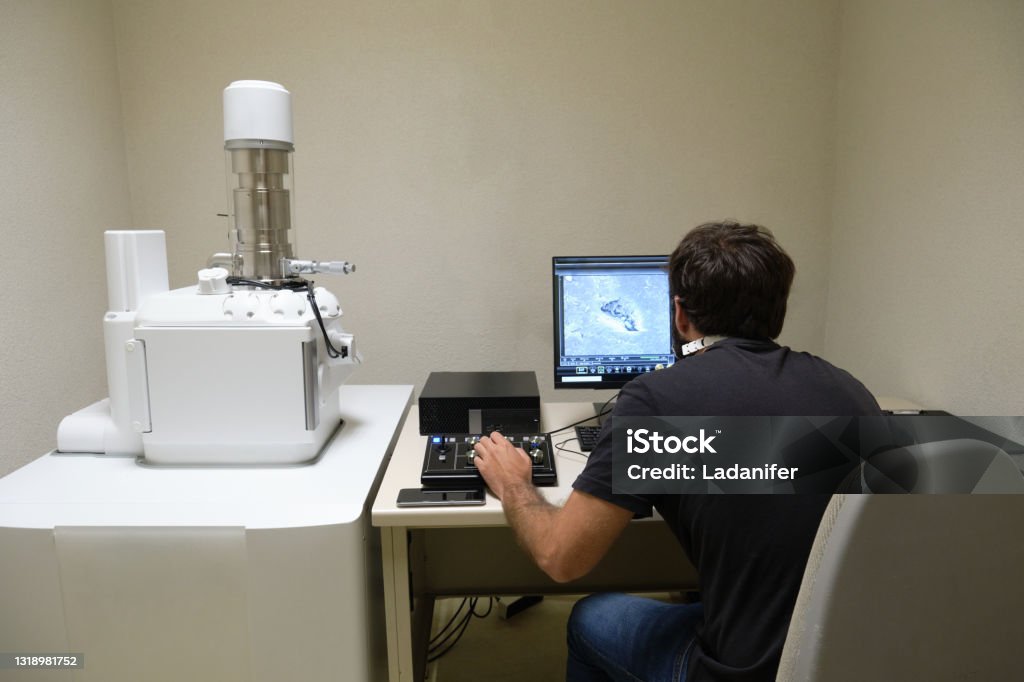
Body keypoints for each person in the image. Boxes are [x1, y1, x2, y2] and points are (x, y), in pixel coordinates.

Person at [472, 221, 881, 681]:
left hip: (742, 671)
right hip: (846, 659)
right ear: (777, 312)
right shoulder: (852, 393)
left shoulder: (658, 401)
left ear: (680, 314)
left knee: (590, 618)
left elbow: (560, 557)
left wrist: (514, 484)